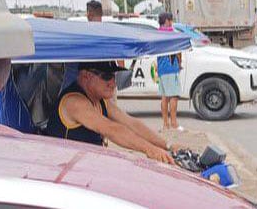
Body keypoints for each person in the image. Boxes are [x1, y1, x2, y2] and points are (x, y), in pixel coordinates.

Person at [44, 61, 178, 164]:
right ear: (86, 76)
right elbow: (112, 129)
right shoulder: (74, 102)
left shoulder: (101, 100)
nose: (113, 83)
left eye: (114, 76)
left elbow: (131, 123)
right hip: (63, 168)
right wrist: (149, 149)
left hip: (84, 164)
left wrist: (167, 145)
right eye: (107, 76)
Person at [157, 12, 183, 131]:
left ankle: (165, 124)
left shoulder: (157, 33)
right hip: (171, 68)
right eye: (171, 20)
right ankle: (174, 123)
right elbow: (178, 51)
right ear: (167, 21)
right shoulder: (171, 34)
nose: (172, 22)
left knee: (164, 97)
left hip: (162, 68)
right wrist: (180, 63)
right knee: (173, 96)